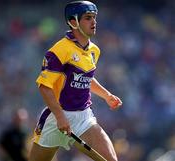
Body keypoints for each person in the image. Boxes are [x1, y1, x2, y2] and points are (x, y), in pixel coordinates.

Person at [28, 1, 122, 161]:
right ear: (73, 22)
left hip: (84, 117)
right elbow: (44, 87)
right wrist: (60, 116)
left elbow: (86, 78)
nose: (94, 22)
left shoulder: (94, 50)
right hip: (56, 118)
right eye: (88, 18)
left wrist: (107, 95)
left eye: (94, 17)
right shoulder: (58, 51)